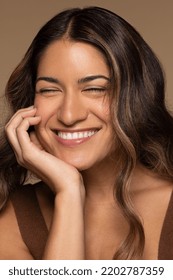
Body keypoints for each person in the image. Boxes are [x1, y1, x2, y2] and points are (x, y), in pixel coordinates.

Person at [0, 6, 173, 260]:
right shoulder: (14, 216)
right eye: (49, 90)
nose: (69, 115)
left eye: (94, 89)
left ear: (134, 97)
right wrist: (69, 193)